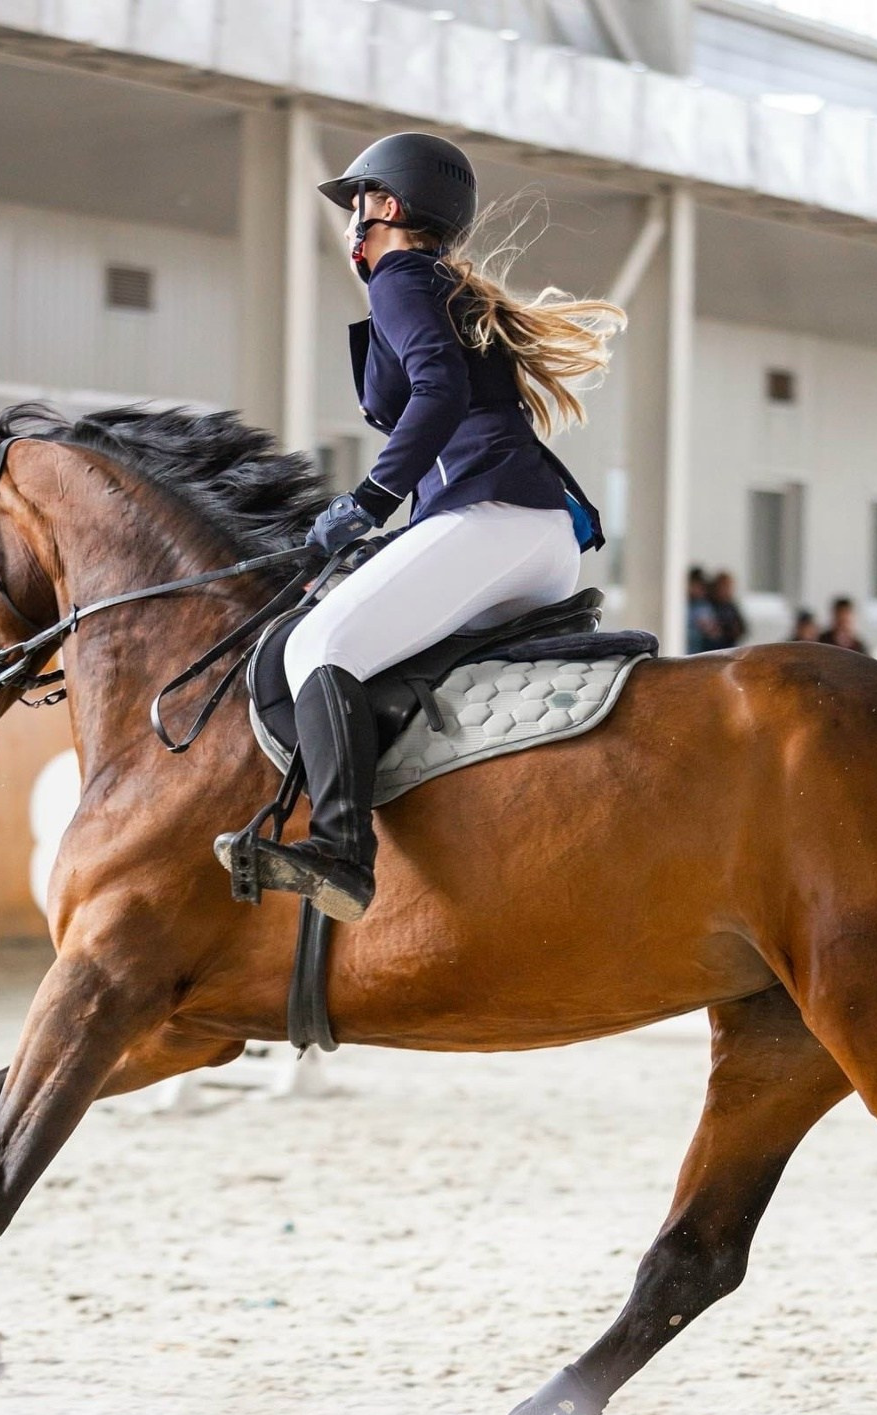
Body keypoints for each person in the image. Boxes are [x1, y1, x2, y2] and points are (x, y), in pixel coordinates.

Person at [214, 131, 624, 922]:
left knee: (319, 646)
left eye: (357, 205)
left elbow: (435, 395)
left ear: (388, 208)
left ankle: (341, 851)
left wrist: (368, 499)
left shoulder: (402, 278)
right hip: (530, 534)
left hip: (495, 518)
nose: (350, 226)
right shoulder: (436, 282)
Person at [708, 570, 747, 649]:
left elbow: (742, 628)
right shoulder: (707, 605)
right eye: (724, 586)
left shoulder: (731, 606)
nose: (727, 590)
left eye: (729, 587)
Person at [686, 568, 718, 655]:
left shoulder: (702, 606)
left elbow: (713, 632)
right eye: (698, 585)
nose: (702, 590)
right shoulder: (678, 605)